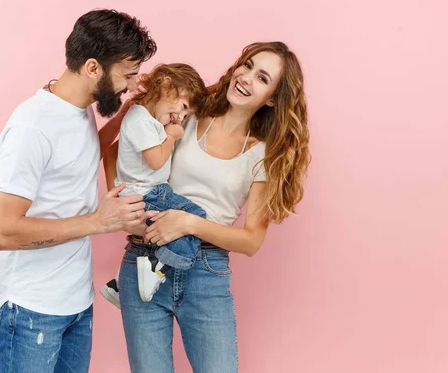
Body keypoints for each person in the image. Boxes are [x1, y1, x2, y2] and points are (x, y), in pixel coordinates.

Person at [103, 42, 310, 373]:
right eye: (247, 65)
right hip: (144, 259)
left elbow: (251, 240)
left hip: (205, 274)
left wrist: (188, 224)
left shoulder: (261, 155)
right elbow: (116, 153)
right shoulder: (187, 116)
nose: (246, 77)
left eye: (262, 77)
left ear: (272, 97)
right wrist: (126, 203)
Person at [0, 9, 157, 373]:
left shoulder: (77, 109)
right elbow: (2, 232)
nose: (131, 83)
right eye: (127, 75)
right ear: (93, 68)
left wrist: (128, 111)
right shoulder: (32, 127)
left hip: (76, 304)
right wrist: (98, 221)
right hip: (31, 308)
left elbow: (76, 155)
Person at [99, 63, 208, 307]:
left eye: (186, 115)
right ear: (166, 85)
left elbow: (114, 152)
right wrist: (171, 136)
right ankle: (156, 266)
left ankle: (121, 284)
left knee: (174, 227)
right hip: (149, 194)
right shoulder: (141, 122)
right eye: (182, 107)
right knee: (195, 217)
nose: (180, 117)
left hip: (150, 191)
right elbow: (157, 161)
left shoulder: (146, 118)